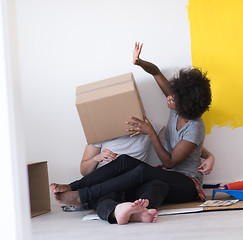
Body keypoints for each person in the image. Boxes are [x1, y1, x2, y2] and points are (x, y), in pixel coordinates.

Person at [50, 42, 213, 224]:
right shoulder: (176, 108)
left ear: (185, 105)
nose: (169, 97)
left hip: (188, 183)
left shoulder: (196, 126)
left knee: (142, 172)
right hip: (167, 177)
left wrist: (150, 132)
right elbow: (156, 72)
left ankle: (82, 196)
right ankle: (134, 209)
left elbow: (169, 161)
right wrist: (140, 62)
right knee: (135, 169)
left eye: (173, 98)